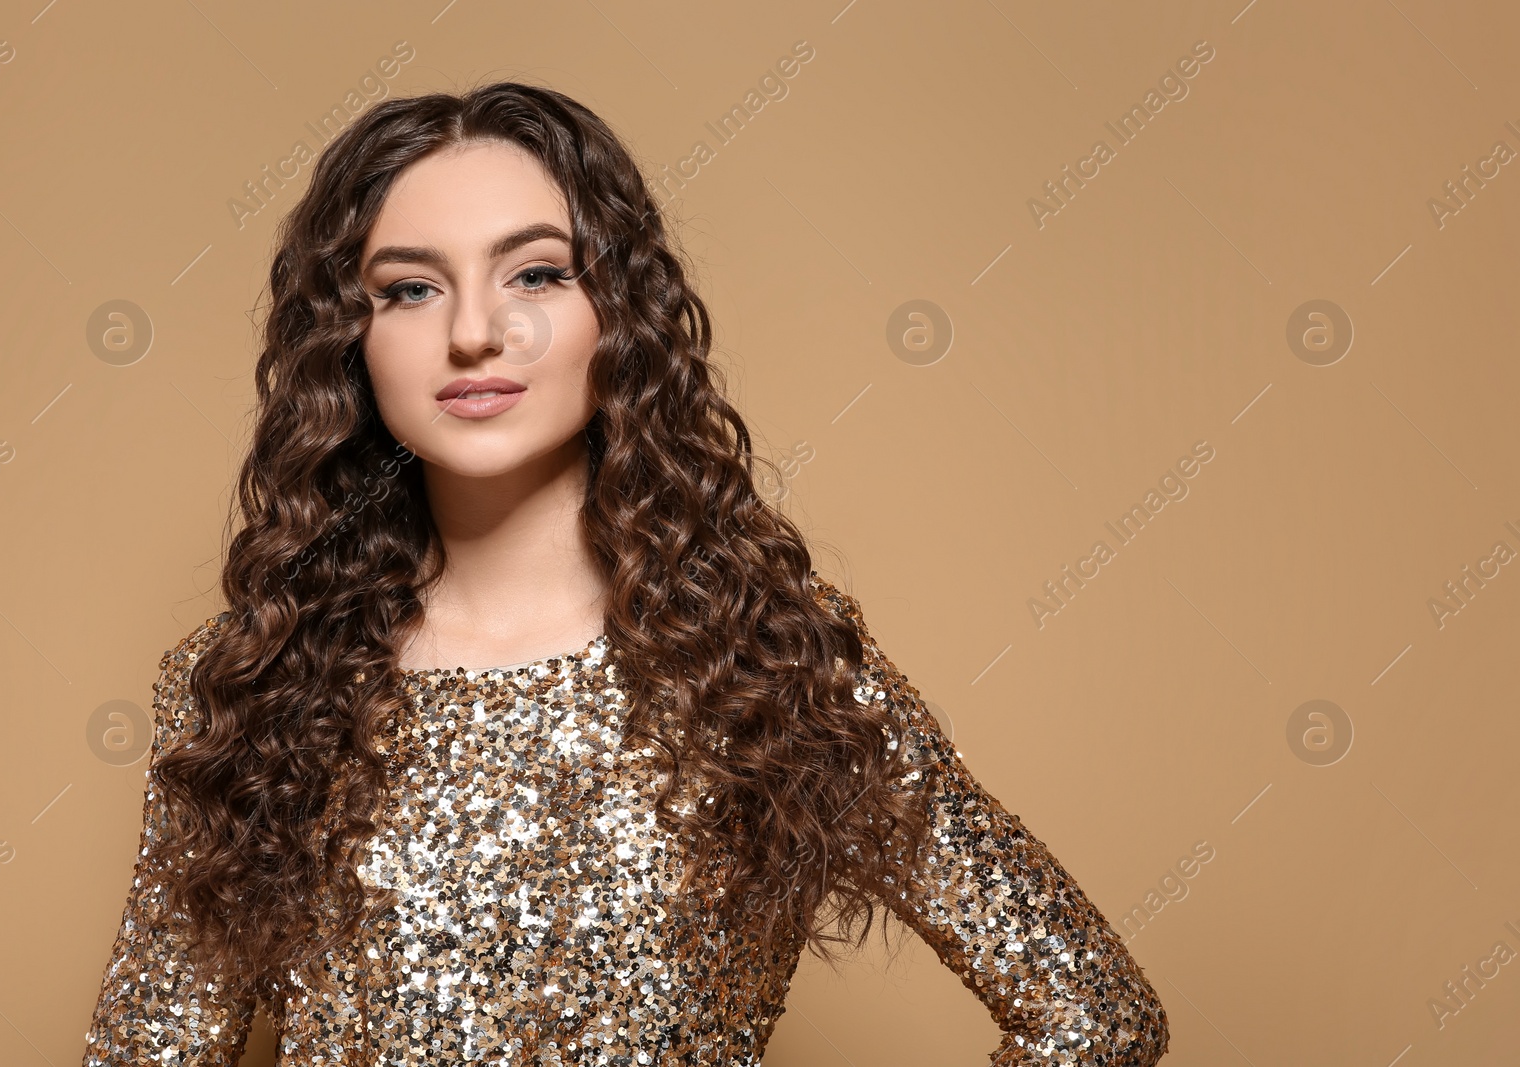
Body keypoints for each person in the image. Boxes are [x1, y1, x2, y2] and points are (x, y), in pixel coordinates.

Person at [81, 83, 1169, 1066]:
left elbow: (1092, 1012)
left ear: (622, 316)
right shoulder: (254, 685)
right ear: (349, 344)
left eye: (538, 273)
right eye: (410, 290)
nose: (474, 332)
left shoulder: (767, 658)